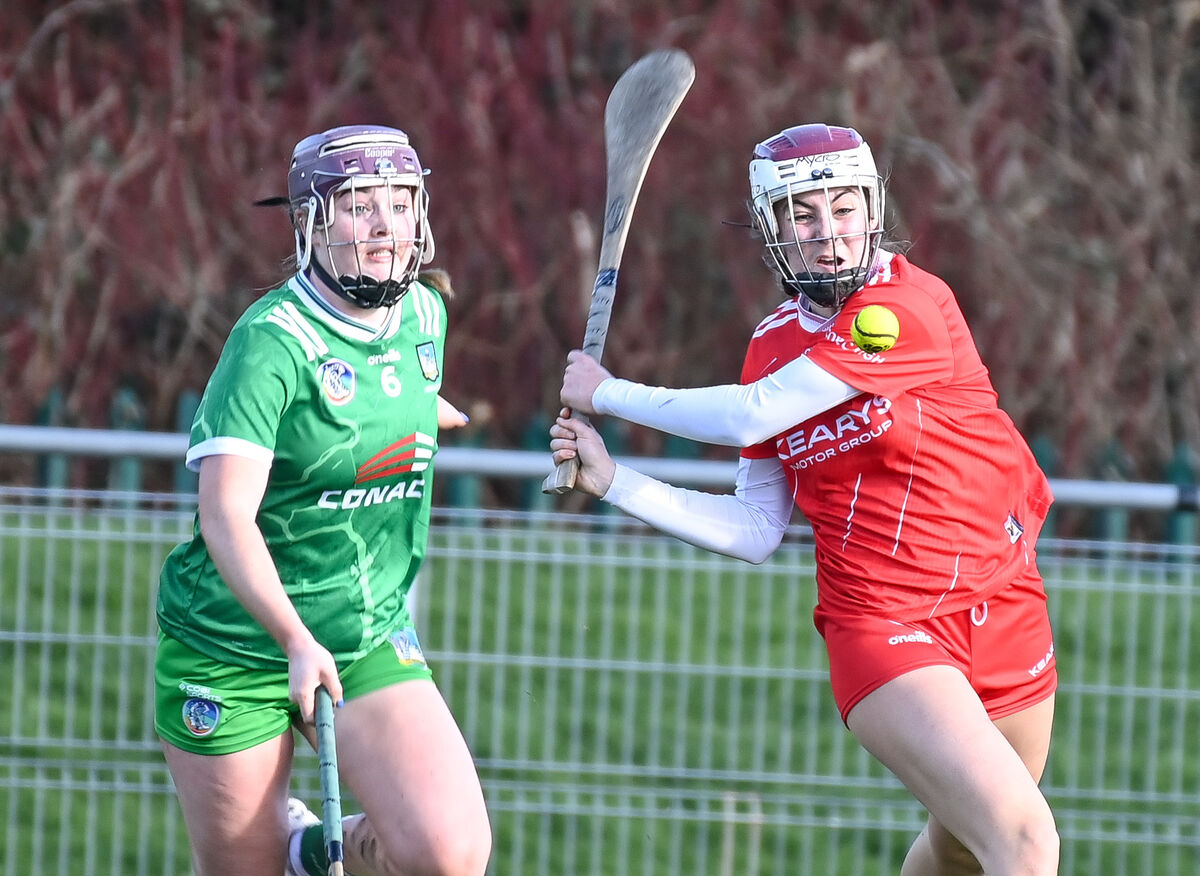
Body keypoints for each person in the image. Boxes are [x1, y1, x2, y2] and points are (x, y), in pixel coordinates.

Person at [549, 123, 1059, 875]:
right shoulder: (771, 346)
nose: (829, 233)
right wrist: (615, 481)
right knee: (1025, 842)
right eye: (804, 214)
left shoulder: (911, 306)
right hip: (882, 625)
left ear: (871, 208)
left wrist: (609, 393)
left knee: (960, 849)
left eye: (844, 207)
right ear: (772, 230)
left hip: (1004, 600)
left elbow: (752, 413)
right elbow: (755, 527)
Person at [154, 124, 491, 876]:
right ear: (310, 223)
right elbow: (225, 514)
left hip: (362, 634)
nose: (384, 225)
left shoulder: (425, 319)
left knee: (450, 853)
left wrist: (433, 412)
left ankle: (307, 853)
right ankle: (289, 854)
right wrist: (294, 639)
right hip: (234, 643)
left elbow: (390, 393)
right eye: (358, 204)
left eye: (401, 204)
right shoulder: (269, 342)